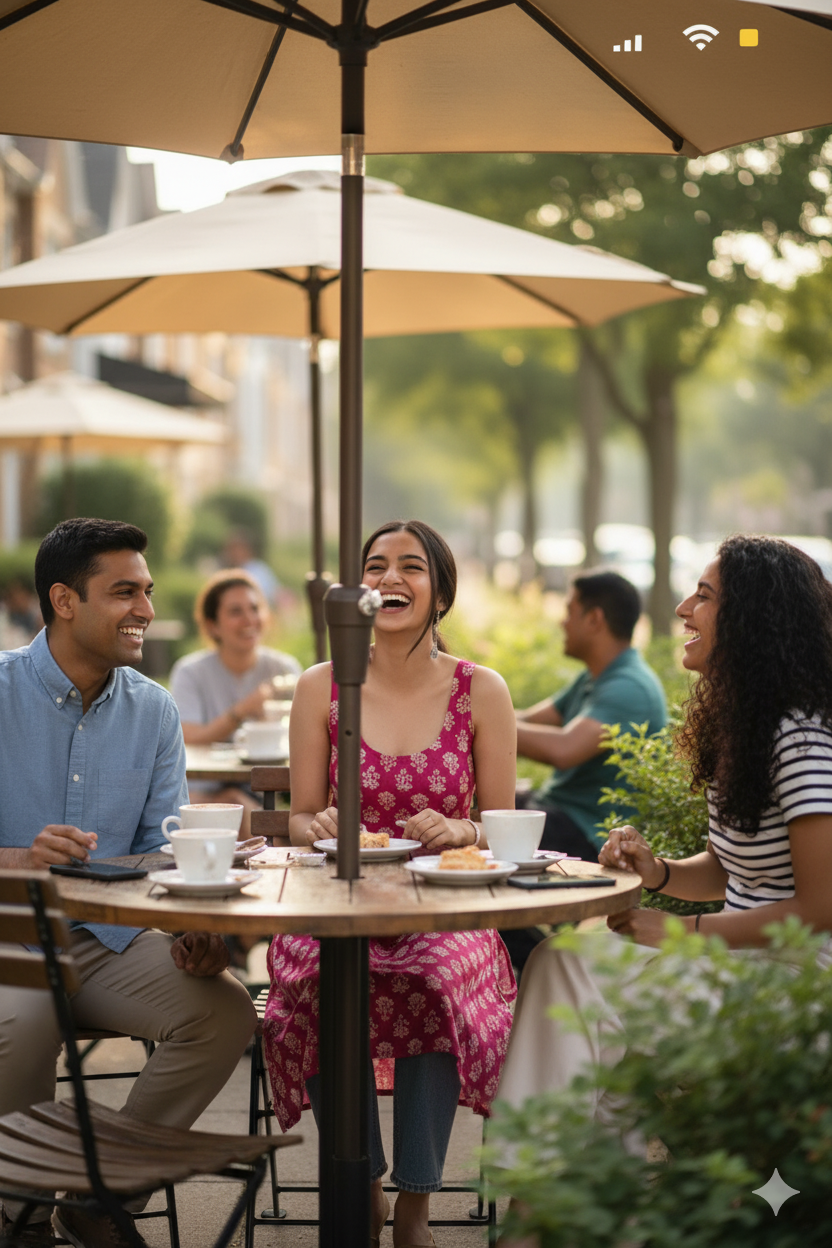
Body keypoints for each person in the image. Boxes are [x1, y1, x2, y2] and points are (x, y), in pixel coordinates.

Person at [495, 535, 832, 1139]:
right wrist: (660, 873)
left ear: (753, 618)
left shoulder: (802, 738)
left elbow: (820, 906)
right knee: (565, 965)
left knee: (569, 971)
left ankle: (550, 1202)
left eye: (703, 596)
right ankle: (571, 1204)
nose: (682, 610)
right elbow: (737, 870)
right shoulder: (754, 727)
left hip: (795, 982)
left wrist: (681, 932)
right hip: (742, 961)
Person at [0, 518, 257, 1248]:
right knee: (24, 1022)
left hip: (105, 942)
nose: (145, 608)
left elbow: (159, 854)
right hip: (8, 937)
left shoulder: (154, 710)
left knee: (224, 1013)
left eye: (145, 591)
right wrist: (21, 857)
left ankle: (94, 1200)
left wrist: (195, 927)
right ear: (64, 600)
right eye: (124, 592)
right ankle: (16, 1220)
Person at [263, 519, 518, 1248]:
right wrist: (312, 826)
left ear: (440, 590)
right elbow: (301, 817)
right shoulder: (322, 686)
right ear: (357, 592)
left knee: (434, 978)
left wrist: (461, 829)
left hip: (445, 913)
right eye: (375, 566)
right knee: (312, 982)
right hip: (339, 903)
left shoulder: (482, 689)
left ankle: (415, 1202)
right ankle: (363, 1183)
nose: (390, 578)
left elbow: (499, 822)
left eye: (411, 566)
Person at [515, 570, 667, 862]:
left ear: (595, 619)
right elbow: (527, 720)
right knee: (471, 807)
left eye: (570, 611)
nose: (563, 622)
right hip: (557, 812)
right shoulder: (595, 677)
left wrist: (478, 724)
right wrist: (470, 711)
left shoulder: (629, 686)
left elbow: (564, 749)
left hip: (586, 832)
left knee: (482, 827)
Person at [169, 568, 301, 833]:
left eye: (255, 608)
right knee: (235, 805)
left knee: (254, 810)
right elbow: (188, 735)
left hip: (265, 791)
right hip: (203, 792)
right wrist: (242, 710)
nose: (249, 619)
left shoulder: (284, 669)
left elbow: (304, 737)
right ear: (212, 625)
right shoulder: (190, 672)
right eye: (235, 612)